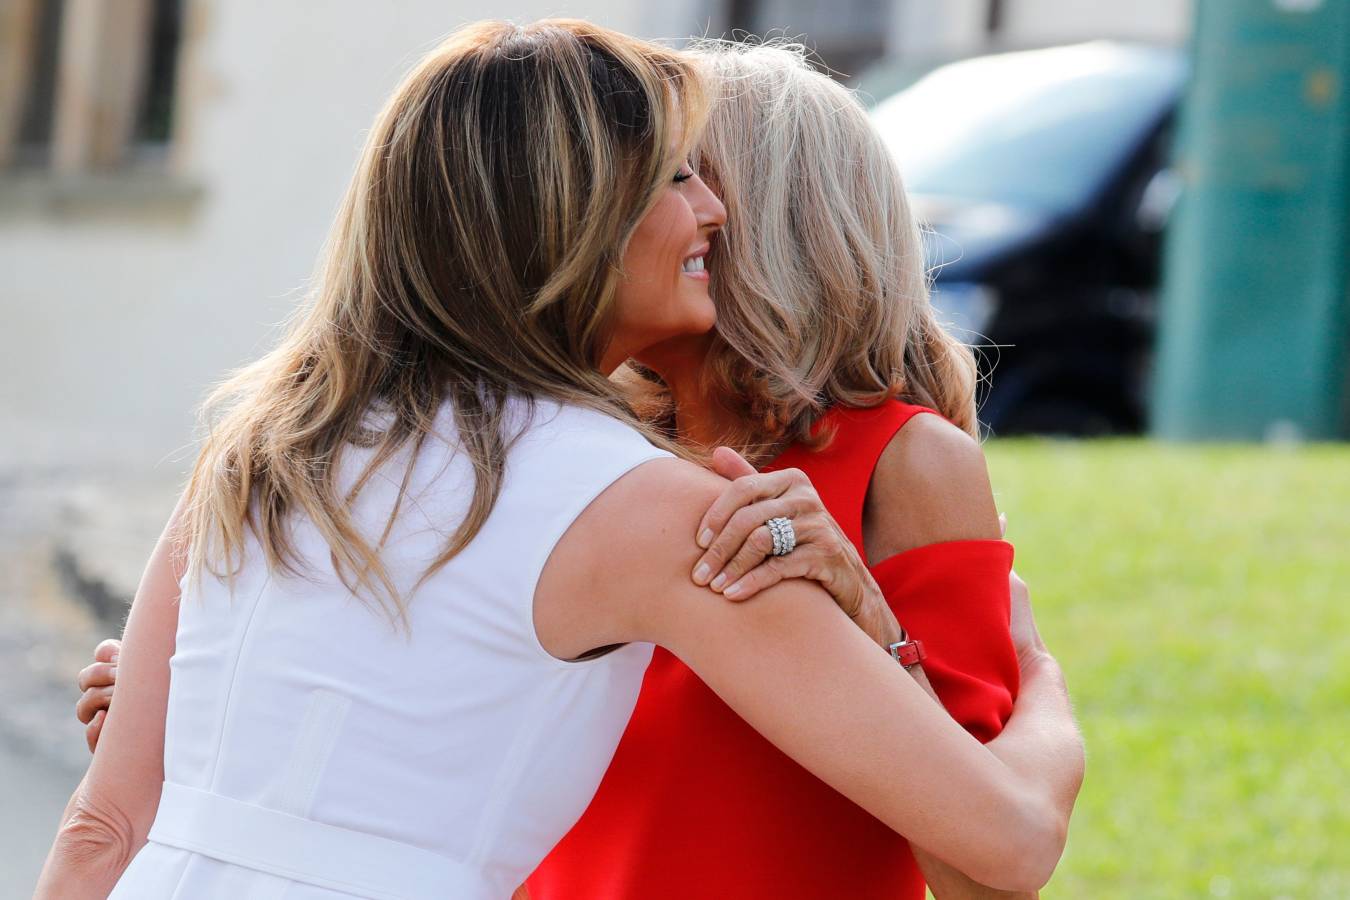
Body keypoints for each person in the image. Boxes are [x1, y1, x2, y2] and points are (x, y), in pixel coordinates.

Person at [50, 19, 1082, 900]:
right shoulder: (659, 505)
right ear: (577, 221)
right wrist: (1038, 673)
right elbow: (1010, 836)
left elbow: (105, 829)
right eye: (676, 179)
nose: (708, 215)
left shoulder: (266, 445)